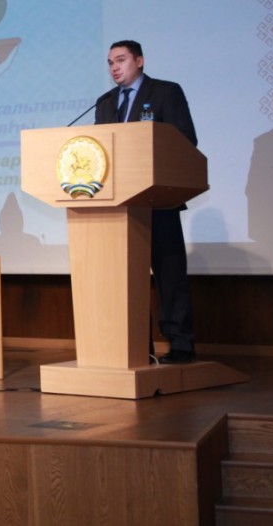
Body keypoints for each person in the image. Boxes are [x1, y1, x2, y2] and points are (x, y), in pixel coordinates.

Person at [94, 39, 197, 364]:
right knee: (127, 280)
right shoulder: (105, 102)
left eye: (121, 60)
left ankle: (180, 344)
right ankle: (138, 346)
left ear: (139, 61)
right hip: (119, 206)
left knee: (169, 276)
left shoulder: (166, 92)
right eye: (110, 62)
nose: (114, 67)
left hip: (158, 201)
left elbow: (186, 139)